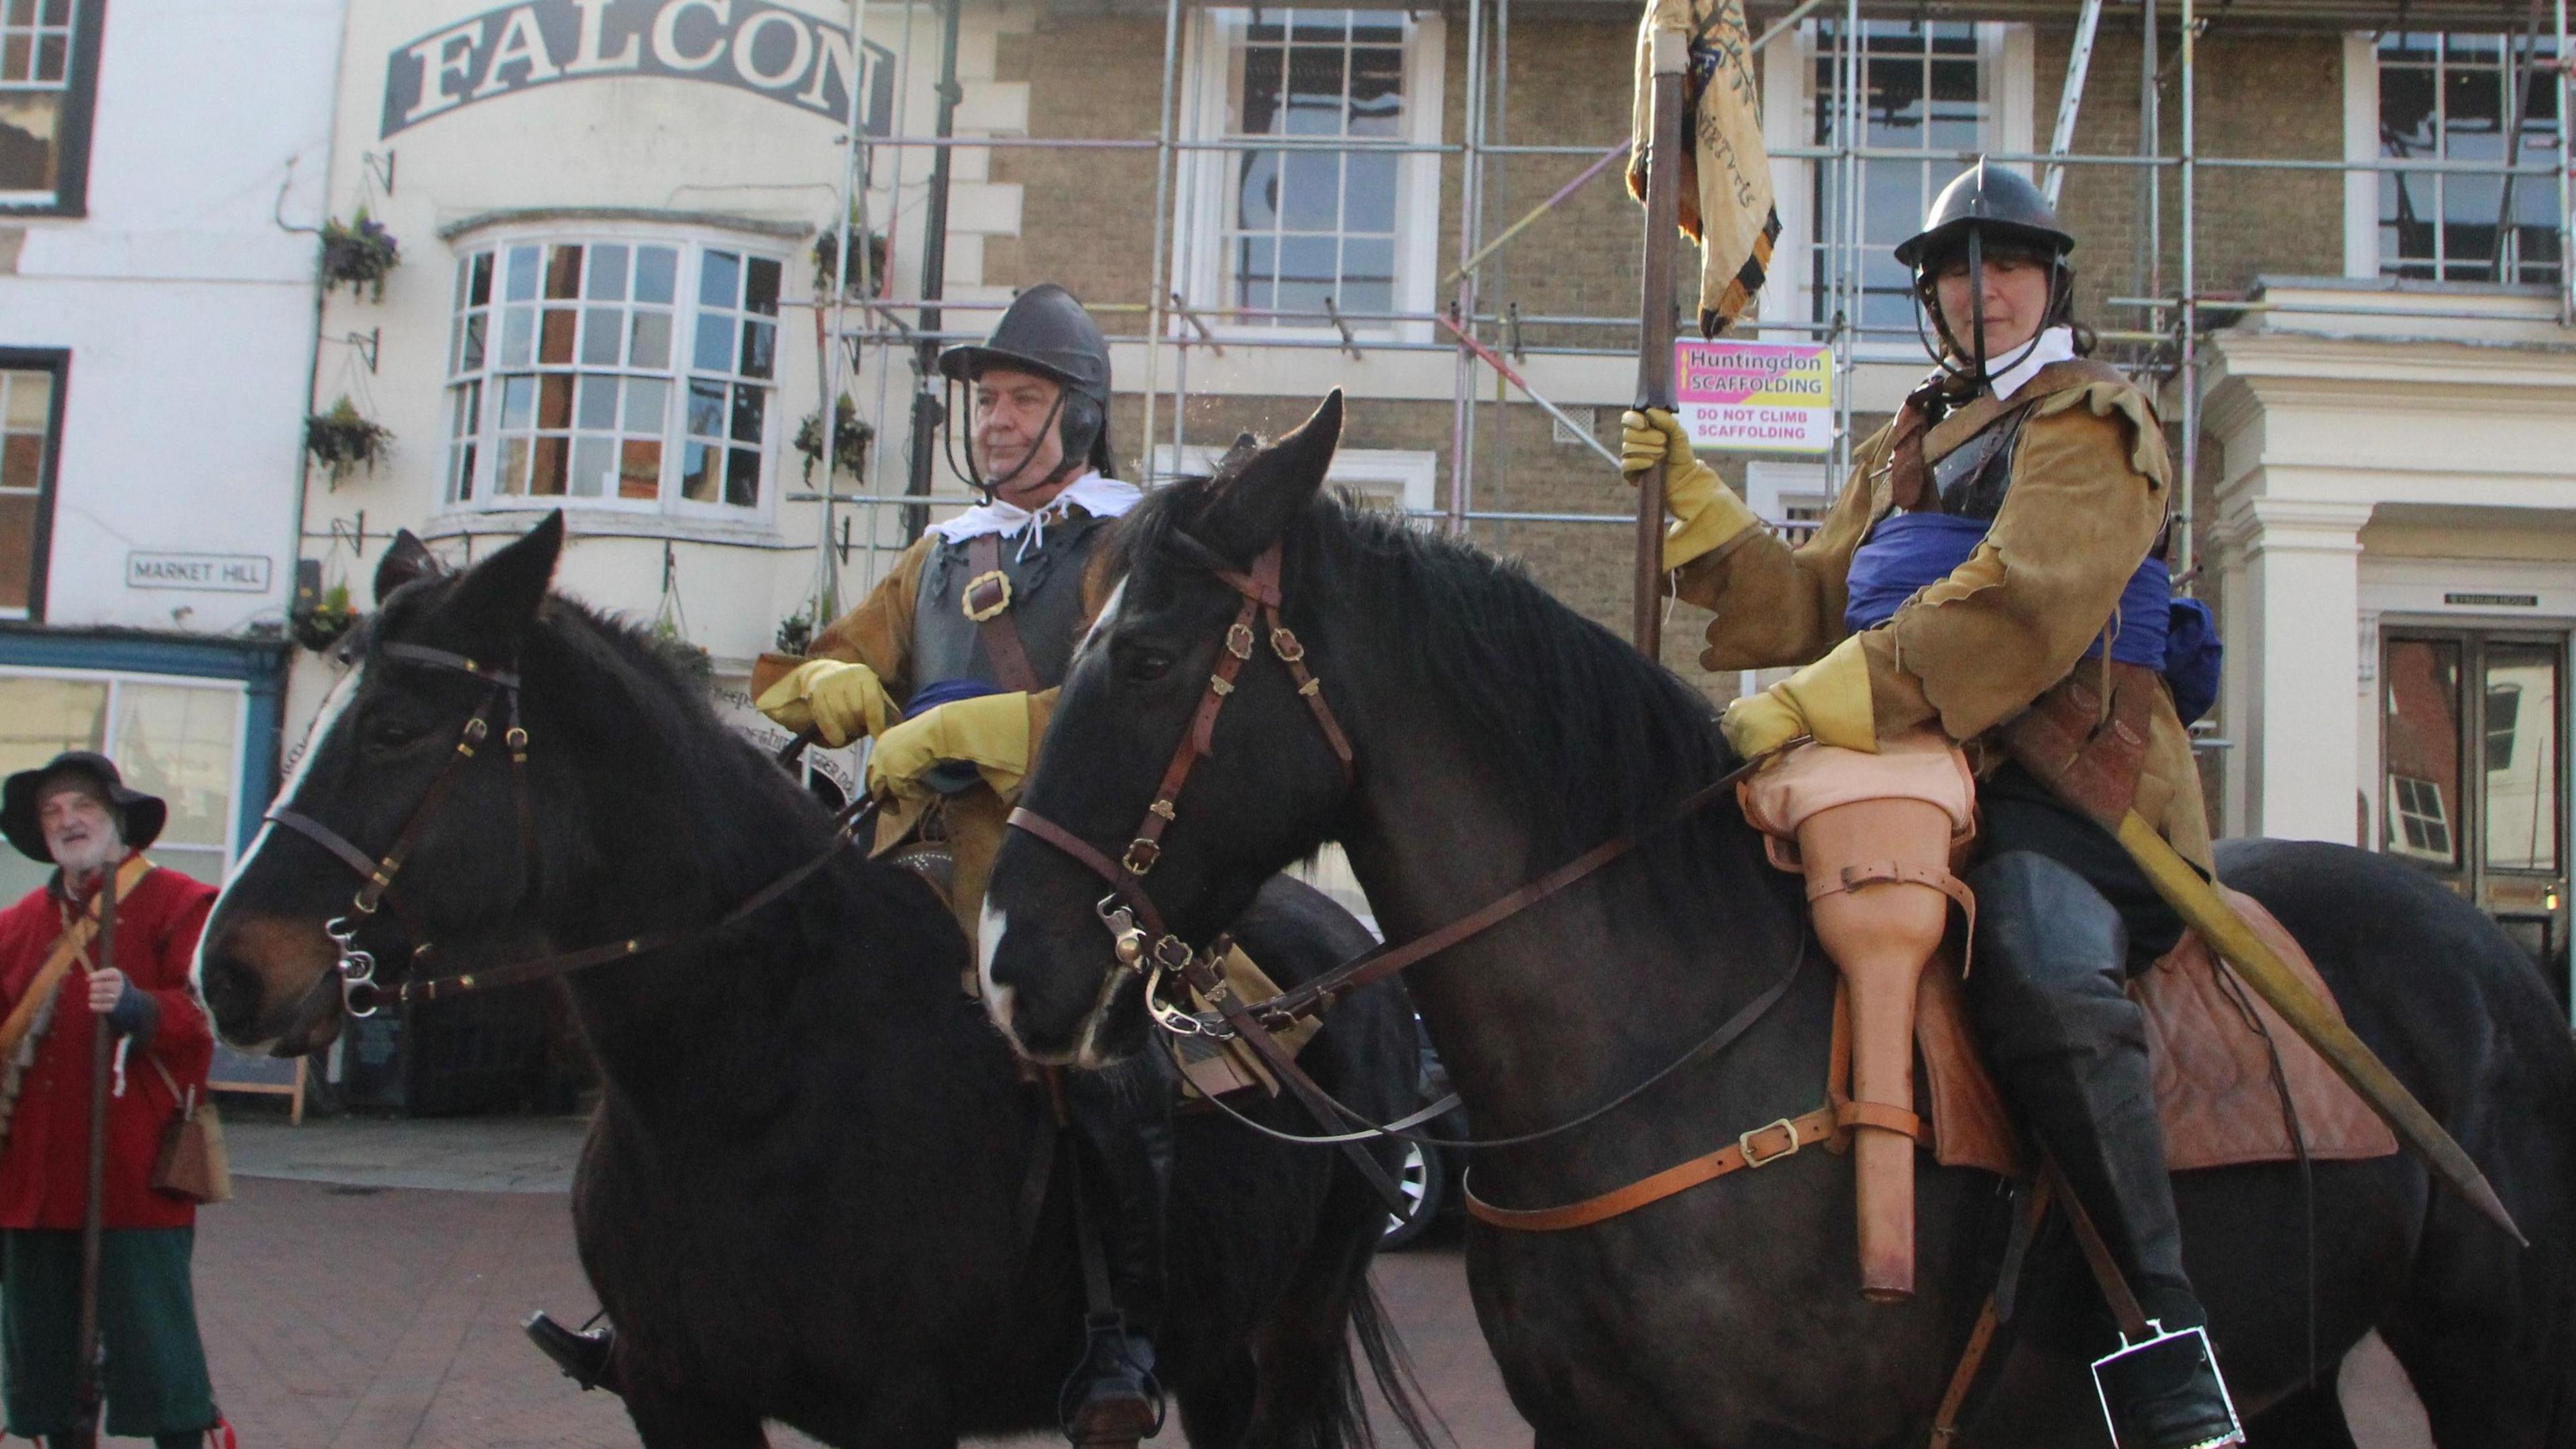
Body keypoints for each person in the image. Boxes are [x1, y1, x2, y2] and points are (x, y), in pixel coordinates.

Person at [1619, 160, 2243, 1449]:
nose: (1984, 291)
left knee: (2039, 965)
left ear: (2049, 279)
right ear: (1932, 301)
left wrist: (1817, 701)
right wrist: (1694, 502)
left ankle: (2163, 1335)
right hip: (1906, 767)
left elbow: (2023, 600)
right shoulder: (1907, 441)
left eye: (2007, 264)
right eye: (1957, 271)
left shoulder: (2099, 419)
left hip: (2070, 782)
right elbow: (1805, 602)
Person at [531, 284, 1173, 1442]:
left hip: (1051, 870)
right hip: (895, 871)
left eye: (1023, 398)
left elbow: (1128, 714)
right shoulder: (943, 553)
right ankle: (669, 1306)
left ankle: (1114, 1333)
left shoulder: (1125, 546)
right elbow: (831, 660)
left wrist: (975, 731)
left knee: (1093, 1061)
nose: (995, 421)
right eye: (986, 399)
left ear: (1079, 415)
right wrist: (833, 687)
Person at [0, 751, 223, 1449]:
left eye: (83, 807)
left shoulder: (183, 904)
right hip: (32, 1182)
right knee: (47, 1370)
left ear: (117, 819)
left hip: (133, 1175)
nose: (68, 821)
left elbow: (207, 1016)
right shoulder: (14, 927)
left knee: (161, 1363)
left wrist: (139, 1006)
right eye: (52, 812)